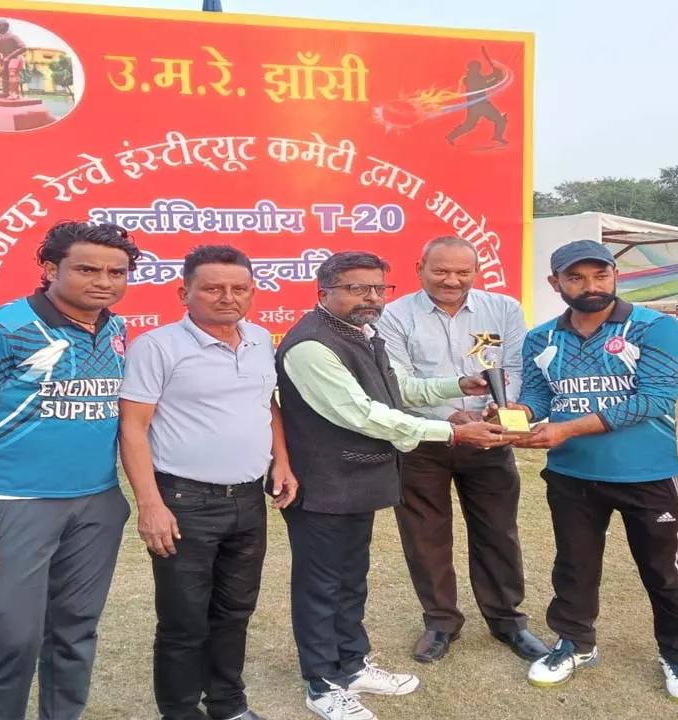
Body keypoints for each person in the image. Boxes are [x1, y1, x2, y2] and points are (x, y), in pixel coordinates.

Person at [275, 250, 510, 720]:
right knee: (321, 586)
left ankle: (352, 663)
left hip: (357, 483)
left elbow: (401, 389)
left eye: (380, 288)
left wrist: (459, 384)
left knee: (350, 580)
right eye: (357, 288)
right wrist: (453, 432)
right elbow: (363, 415)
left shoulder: (363, 333)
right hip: (323, 486)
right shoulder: (310, 345)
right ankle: (322, 684)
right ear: (324, 292)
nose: (372, 298)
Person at [0, 221, 139, 720]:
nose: (104, 281)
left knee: (76, 631)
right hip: (14, 504)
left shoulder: (116, 329)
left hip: (97, 502)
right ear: (50, 269)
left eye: (117, 272)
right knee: (10, 637)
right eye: (87, 269)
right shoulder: (1, 330)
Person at [507, 239, 678, 704]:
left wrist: (567, 429)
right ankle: (575, 643)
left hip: (646, 472)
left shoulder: (655, 327)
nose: (590, 286)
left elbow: (655, 400)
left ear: (615, 275)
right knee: (574, 566)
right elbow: (540, 397)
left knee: (663, 568)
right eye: (575, 277)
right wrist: (516, 414)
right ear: (555, 283)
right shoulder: (541, 338)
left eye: (600, 275)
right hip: (571, 474)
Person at [120, 245, 298, 720]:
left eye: (239, 288)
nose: (227, 297)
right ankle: (179, 712)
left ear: (253, 293)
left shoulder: (261, 338)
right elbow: (133, 428)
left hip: (247, 501)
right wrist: (150, 505)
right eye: (213, 288)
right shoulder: (156, 347)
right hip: (184, 502)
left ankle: (227, 704)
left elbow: (267, 404)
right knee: (183, 622)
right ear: (185, 292)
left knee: (234, 612)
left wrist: (281, 461)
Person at [377, 236, 546, 664]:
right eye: (441, 271)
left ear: (476, 271)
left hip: (489, 438)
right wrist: (452, 418)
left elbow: (516, 368)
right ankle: (440, 622)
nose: (451, 280)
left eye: (462, 272)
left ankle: (508, 620)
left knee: (498, 531)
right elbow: (396, 383)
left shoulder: (504, 309)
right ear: (420, 269)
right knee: (425, 535)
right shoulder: (394, 316)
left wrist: (500, 409)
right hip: (424, 440)